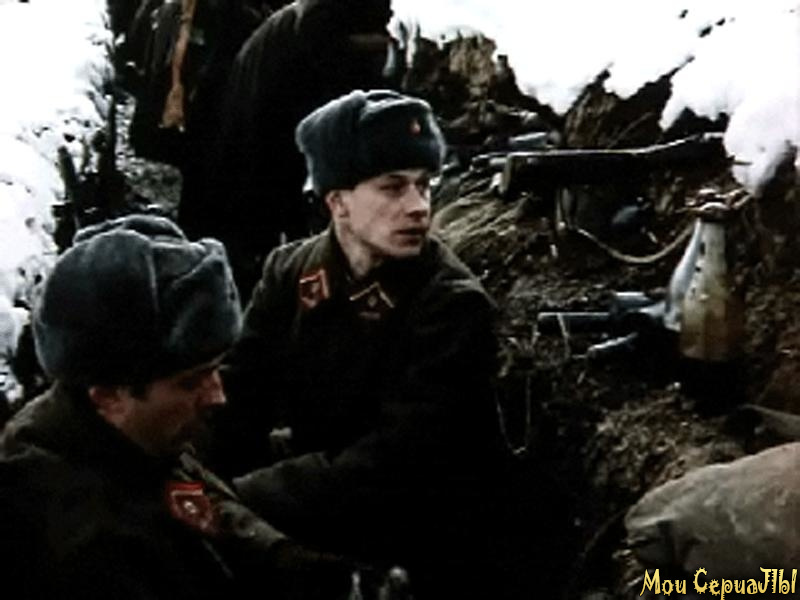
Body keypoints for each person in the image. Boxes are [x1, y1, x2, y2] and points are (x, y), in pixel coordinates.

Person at [214, 90, 507, 598]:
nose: (418, 207)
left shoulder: (450, 304)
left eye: (424, 185)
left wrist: (236, 499)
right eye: (392, 187)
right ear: (338, 202)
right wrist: (184, 471)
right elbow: (237, 395)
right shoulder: (291, 271)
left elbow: (395, 463)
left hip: (414, 538)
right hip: (319, 502)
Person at [0, 215, 350, 599]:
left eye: (215, 369)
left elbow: (198, 506)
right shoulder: (82, 543)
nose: (217, 396)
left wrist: (306, 570)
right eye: (191, 381)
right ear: (109, 396)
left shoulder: (128, 435)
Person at [178, 0, 398, 298]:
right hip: (272, 114)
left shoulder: (307, 21)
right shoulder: (318, 22)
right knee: (262, 206)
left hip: (269, 105)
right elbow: (321, 41)